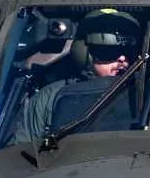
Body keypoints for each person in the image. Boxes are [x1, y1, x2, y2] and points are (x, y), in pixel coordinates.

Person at [12, 9, 142, 145]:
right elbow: (21, 151)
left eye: (128, 52)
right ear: (84, 53)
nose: (122, 59)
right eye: (109, 52)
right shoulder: (51, 97)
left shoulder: (143, 95)